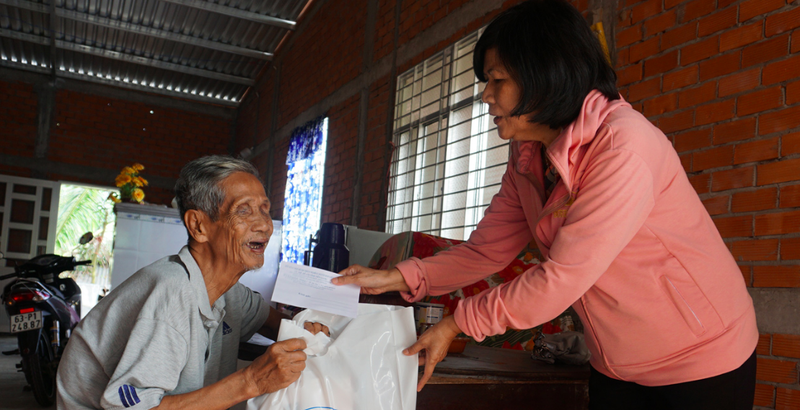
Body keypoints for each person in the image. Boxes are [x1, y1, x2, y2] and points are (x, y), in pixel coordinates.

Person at [333, 1, 759, 409]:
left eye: (497, 79)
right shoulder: (527, 156)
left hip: (700, 359)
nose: (485, 96)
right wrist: (394, 277)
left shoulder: (623, 147)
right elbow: (487, 251)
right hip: (617, 362)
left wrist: (457, 322)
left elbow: (560, 279)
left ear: (545, 76)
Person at [57, 155, 328, 410]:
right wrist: (253, 381)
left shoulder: (229, 292)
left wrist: (303, 331)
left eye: (265, 210)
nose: (265, 226)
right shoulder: (172, 294)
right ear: (198, 226)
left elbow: (270, 320)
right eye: (243, 211)